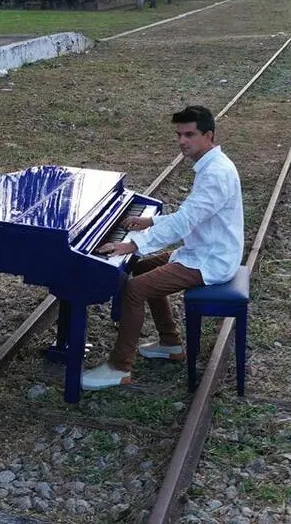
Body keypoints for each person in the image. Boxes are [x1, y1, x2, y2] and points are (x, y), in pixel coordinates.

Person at [81, 105, 244, 391]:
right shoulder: (212, 165)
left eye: (189, 135)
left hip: (212, 259)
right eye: (179, 135)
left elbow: (185, 221)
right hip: (205, 249)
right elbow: (192, 214)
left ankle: (119, 368)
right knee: (142, 267)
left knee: (135, 290)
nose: (182, 141)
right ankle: (170, 343)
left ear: (209, 136)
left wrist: (133, 243)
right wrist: (150, 221)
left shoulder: (216, 174)